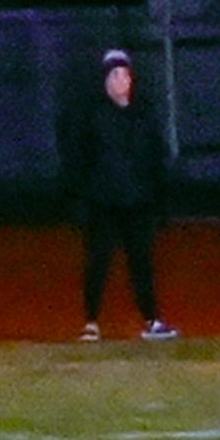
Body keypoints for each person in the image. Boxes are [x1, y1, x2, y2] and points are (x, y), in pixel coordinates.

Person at [76, 49, 176, 340]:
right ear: (105, 81)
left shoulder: (144, 115)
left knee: (141, 262)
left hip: (138, 201)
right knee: (98, 261)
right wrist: (85, 198)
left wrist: (159, 200)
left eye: (125, 74)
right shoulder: (93, 116)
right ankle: (91, 322)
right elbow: (81, 160)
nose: (120, 81)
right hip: (103, 202)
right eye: (114, 75)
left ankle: (152, 320)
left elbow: (157, 159)